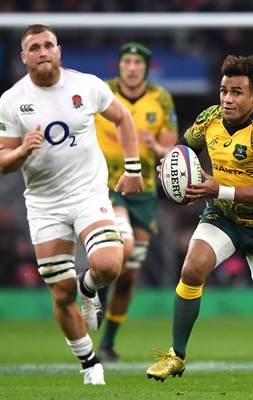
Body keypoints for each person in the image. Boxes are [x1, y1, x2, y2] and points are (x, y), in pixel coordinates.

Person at [0, 24, 143, 385]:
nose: (43, 51)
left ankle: (89, 287)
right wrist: (21, 150)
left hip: (88, 193)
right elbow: (1, 161)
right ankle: (90, 363)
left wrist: (133, 167)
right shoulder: (12, 100)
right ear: (24, 57)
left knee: (109, 264)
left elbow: (122, 117)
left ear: (58, 50)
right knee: (61, 292)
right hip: (44, 204)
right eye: (35, 47)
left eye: (48, 45)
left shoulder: (87, 85)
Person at [146, 54, 253, 381]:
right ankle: (177, 354)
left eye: (236, 92)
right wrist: (169, 167)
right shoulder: (209, 119)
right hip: (221, 216)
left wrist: (218, 188)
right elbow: (183, 149)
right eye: (223, 91)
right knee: (192, 269)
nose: (227, 99)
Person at [94, 42, 178, 362]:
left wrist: (154, 144)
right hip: (106, 185)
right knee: (123, 243)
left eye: (137, 62)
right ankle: (95, 291)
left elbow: (170, 153)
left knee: (129, 274)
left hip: (143, 193)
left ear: (145, 67)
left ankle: (108, 343)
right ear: (119, 65)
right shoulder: (101, 91)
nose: (131, 67)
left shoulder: (161, 98)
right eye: (126, 61)